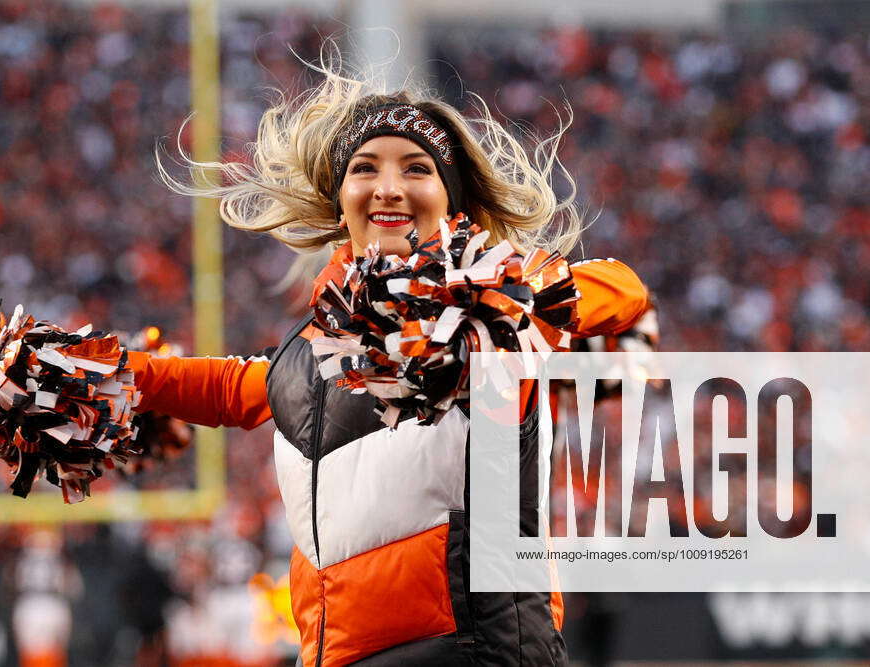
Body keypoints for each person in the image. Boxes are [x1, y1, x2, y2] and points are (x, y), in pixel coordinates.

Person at [128, 65, 650, 666]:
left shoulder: (491, 326)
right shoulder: (305, 356)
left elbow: (624, 290)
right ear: (340, 199)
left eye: (417, 169)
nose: (388, 187)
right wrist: (74, 370)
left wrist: (502, 293)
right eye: (365, 168)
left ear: (452, 198)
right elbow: (223, 388)